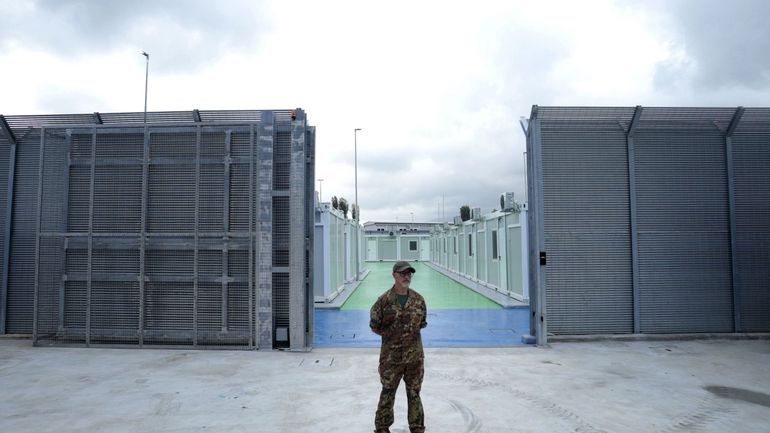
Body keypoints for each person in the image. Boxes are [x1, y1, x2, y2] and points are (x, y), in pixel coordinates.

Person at [370, 261, 428, 433]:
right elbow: (374, 325)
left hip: (414, 358)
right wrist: (392, 337)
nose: (406, 277)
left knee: (414, 393)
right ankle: (382, 427)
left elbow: (421, 323)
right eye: (403, 273)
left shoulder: (418, 300)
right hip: (391, 358)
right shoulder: (383, 301)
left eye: (409, 274)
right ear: (394, 275)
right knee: (387, 392)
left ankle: (417, 427)